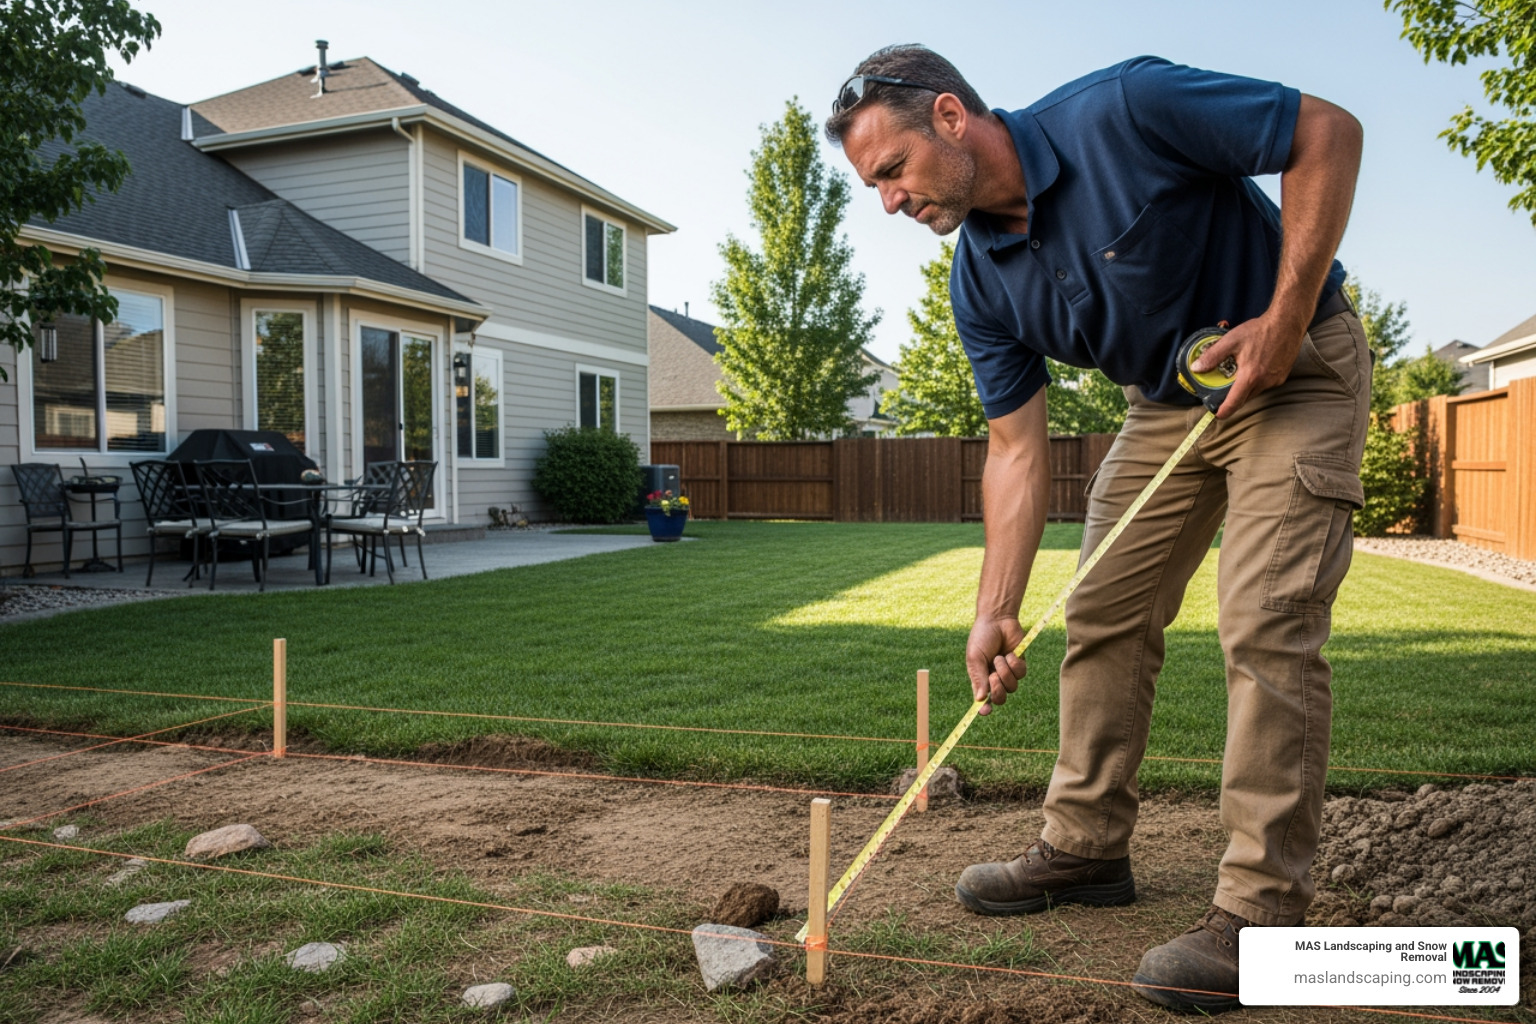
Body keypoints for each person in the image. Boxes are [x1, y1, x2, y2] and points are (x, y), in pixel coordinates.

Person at [825, 45, 1367, 1013]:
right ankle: (1084, 847)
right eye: (877, 188)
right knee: (1101, 613)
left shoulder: (1125, 107)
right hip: (1169, 405)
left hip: (1293, 371)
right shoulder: (979, 282)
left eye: (893, 173)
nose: (891, 204)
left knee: (1264, 620)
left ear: (950, 117)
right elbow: (1016, 452)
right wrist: (995, 610)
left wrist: (1284, 319)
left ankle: (1260, 915)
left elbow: (1326, 131)